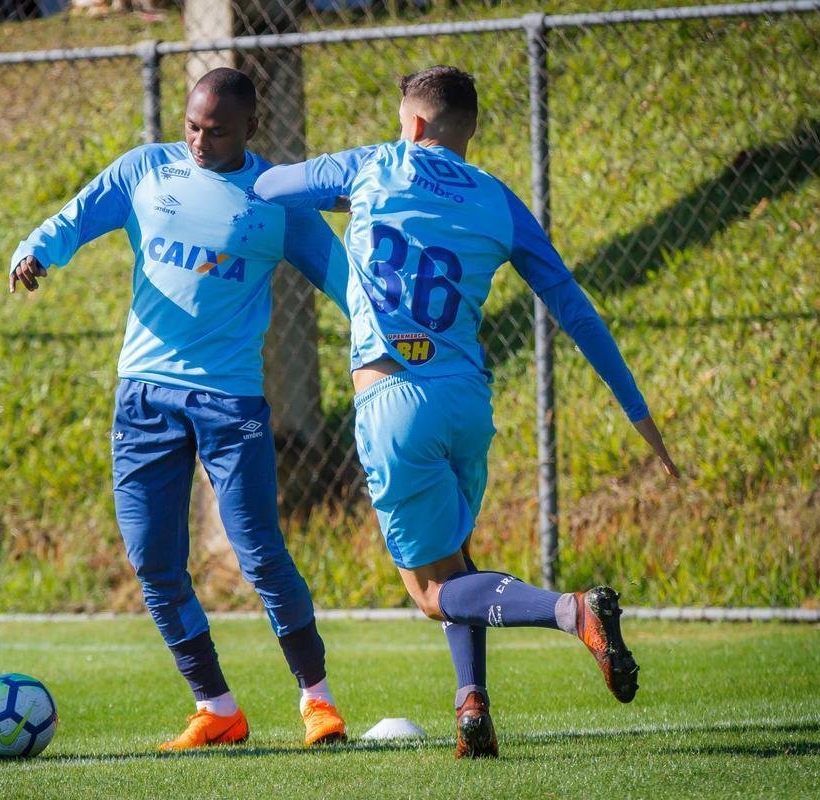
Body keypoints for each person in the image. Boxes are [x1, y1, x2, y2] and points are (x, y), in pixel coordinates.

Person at [254, 65, 679, 759]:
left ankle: (572, 612)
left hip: (394, 403)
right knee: (460, 563)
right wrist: (639, 413)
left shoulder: (372, 167)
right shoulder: (498, 200)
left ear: (414, 125)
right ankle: (471, 708)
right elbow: (574, 308)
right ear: (469, 131)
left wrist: (341, 193)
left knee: (431, 591)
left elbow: (270, 186)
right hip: (466, 403)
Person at [9, 68, 350, 751]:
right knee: (154, 562)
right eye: (192, 125)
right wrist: (35, 251)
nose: (198, 140)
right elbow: (77, 217)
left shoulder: (275, 197)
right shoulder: (147, 170)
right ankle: (217, 708)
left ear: (251, 129)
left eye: (216, 130)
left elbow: (342, 276)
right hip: (143, 395)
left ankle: (317, 701)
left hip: (230, 403)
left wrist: (390, 338)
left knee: (258, 551)